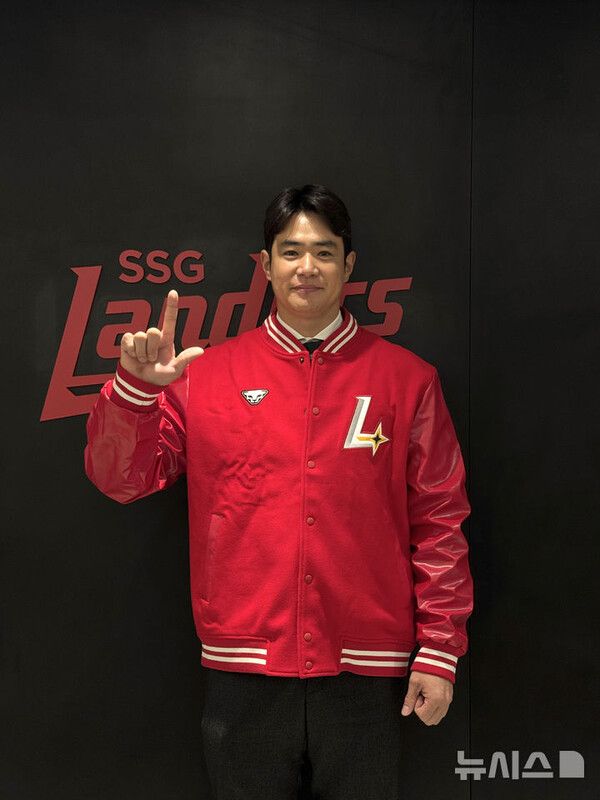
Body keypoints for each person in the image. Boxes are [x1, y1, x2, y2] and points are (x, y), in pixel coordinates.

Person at [84, 184, 474, 799]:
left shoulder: (408, 380)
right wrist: (135, 392)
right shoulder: (207, 375)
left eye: (324, 252)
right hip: (244, 674)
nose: (307, 267)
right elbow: (122, 479)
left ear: (349, 264)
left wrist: (439, 651)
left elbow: (440, 521)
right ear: (266, 265)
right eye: (291, 252)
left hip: (366, 677)